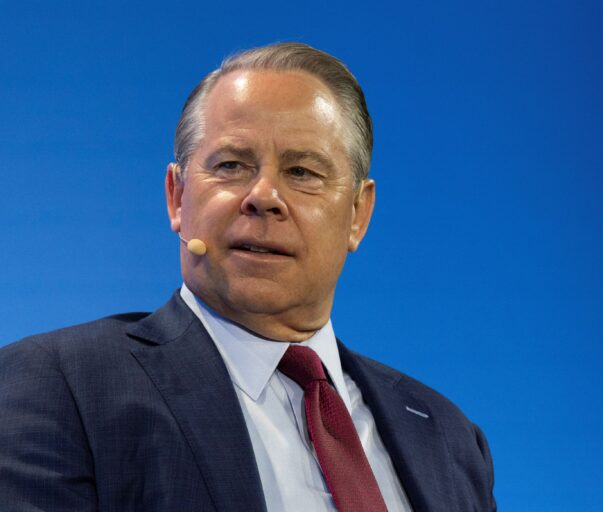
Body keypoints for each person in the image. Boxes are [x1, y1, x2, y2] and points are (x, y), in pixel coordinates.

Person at [0, 42, 496, 511]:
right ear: (177, 198)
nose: (263, 196)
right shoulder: (62, 386)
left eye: (302, 172)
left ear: (357, 215)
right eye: (232, 165)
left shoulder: (449, 437)